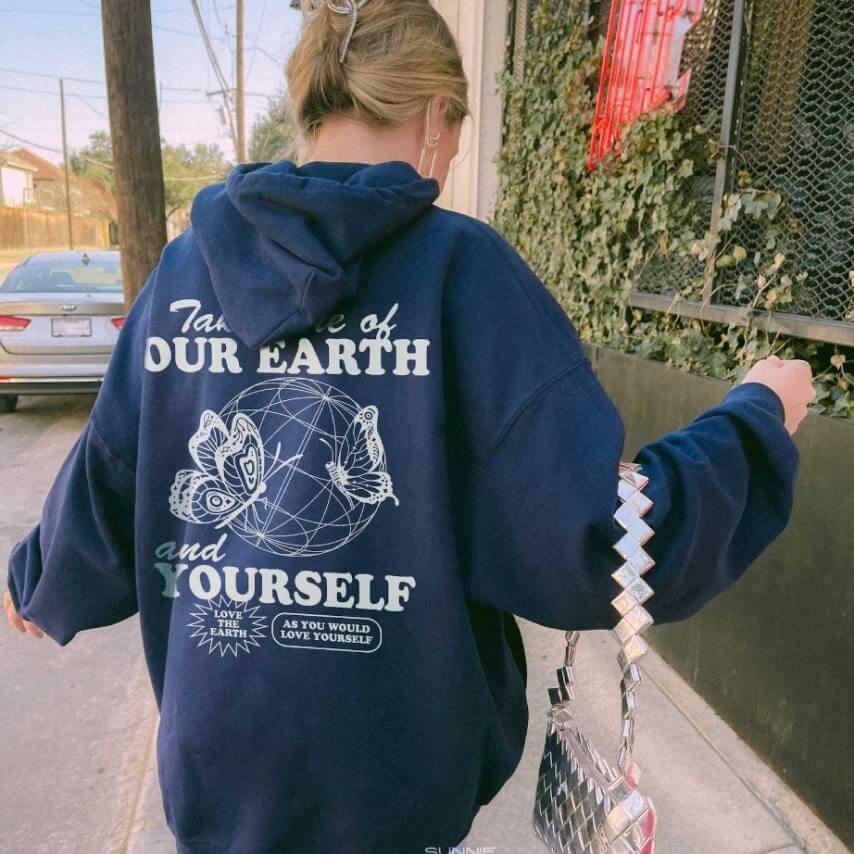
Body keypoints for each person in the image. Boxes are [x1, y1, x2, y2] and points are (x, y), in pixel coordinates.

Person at [4, 1, 815, 852]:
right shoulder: (462, 272)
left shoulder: (183, 273)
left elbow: (116, 465)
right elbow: (601, 546)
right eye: (459, 130)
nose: (456, 153)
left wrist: (43, 576)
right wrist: (756, 422)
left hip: (219, 765)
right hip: (390, 782)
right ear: (437, 114)